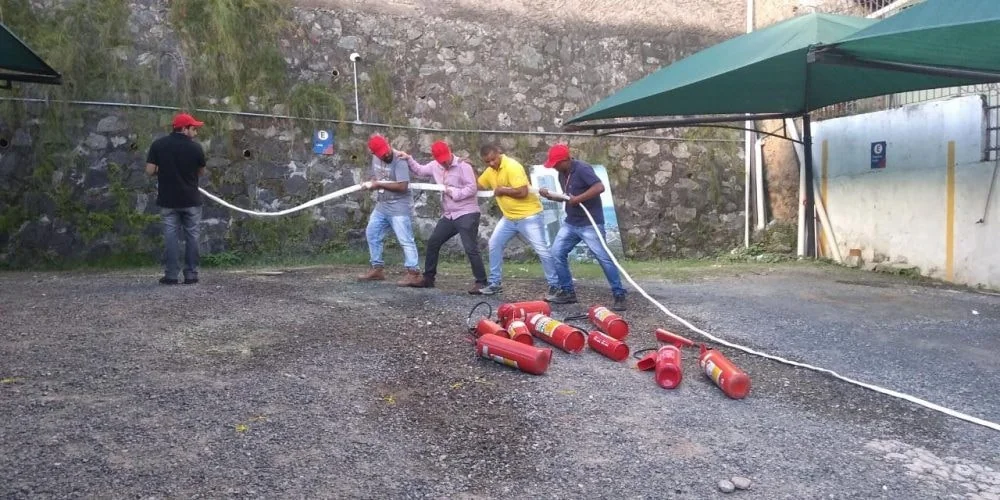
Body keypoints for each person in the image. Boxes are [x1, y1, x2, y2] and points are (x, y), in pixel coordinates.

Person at [538, 144, 628, 310]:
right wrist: (549, 195)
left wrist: (578, 199)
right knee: (557, 252)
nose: (555, 167)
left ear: (565, 160)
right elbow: (567, 198)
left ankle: (619, 293)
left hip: (590, 223)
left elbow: (599, 187)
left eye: (557, 164)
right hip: (571, 222)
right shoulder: (562, 174)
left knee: (603, 258)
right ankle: (567, 292)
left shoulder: (582, 169)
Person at [396, 141, 487, 293]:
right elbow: (419, 170)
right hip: (449, 214)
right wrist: (408, 158)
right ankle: (428, 278)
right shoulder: (434, 165)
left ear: (450, 151)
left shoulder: (464, 166)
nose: (444, 163)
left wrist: (453, 193)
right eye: (441, 160)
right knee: (433, 242)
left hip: (467, 212)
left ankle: (482, 282)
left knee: (470, 247)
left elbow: (472, 188)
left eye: (445, 159)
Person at [475, 143, 559, 296]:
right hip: (509, 218)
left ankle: (555, 285)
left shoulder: (512, 166)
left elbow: (522, 192)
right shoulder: (489, 171)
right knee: (494, 243)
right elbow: (477, 185)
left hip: (530, 216)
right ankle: (495, 283)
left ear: (498, 153)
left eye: (493, 159)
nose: (491, 163)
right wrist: (468, 169)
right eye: (487, 162)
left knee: (542, 250)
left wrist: (503, 190)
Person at [145, 113, 207, 285]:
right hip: (191, 200)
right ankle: (191, 274)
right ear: (184, 129)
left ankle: (171, 275)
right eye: (193, 129)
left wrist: (163, 170)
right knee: (192, 237)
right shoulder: (196, 148)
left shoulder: (158, 145)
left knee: (170, 237)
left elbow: (149, 171)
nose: (195, 132)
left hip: (168, 200)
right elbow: (201, 171)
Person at [357, 134, 423, 287]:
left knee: (406, 240)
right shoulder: (376, 158)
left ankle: (414, 273)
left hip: (399, 206)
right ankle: (377, 269)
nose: (386, 154)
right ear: (374, 154)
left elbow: (402, 186)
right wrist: (368, 183)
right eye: (381, 154)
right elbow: (378, 176)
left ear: (388, 144)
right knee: (372, 233)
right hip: (382, 206)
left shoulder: (399, 160)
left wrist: (378, 185)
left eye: (386, 150)